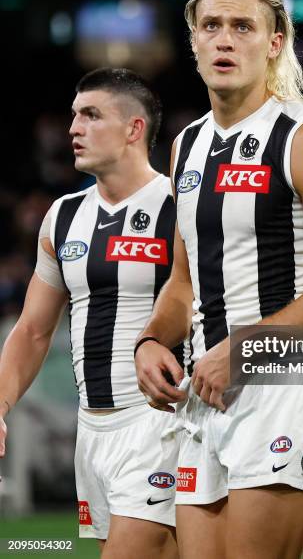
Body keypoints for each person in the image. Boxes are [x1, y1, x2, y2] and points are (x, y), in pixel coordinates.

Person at [134, 0, 303, 559]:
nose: (224, 39)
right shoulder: (185, 145)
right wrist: (149, 343)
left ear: (273, 43)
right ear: (192, 38)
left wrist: (248, 347)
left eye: (243, 26)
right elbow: (183, 282)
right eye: (211, 25)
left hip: (284, 383)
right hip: (204, 389)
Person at [0, 68, 182, 559]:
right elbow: (34, 331)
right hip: (92, 431)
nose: (73, 128)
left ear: (134, 129)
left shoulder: (180, 209)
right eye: (74, 115)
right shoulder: (62, 216)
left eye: (91, 115)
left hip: (160, 424)